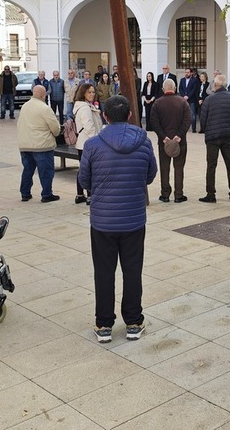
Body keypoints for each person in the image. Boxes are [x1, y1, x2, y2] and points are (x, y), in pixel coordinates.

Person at [78, 95, 157, 343]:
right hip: (133, 219)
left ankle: (104, 325)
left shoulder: (92, 145)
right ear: (130, 115)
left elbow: (84, 180)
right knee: (133, 270)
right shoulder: (144, 142)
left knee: (103, 272)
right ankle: (133, 321)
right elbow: (150, 175)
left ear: (105, 116)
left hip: (102, 220)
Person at [198, 74, 230, 203]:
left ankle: (211, 194)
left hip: (213, 137)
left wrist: (206, 130)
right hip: (228, 136)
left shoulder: (209, 99)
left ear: (216, 85)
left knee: (211, 165)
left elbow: (203, 119)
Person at [17, 85, 61, 203]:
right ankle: (46, 194)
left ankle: (25, 193)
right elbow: (55, 128)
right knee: (46, 171)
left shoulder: (25, 106)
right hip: (42, 145)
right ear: (43, 95)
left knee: (28, 170)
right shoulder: (44, 108)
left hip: (25, 145)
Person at [152, 78, 191, 203]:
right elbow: (187, 120)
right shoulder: (183, 102)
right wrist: (179, 135)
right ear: (174, 88)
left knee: (165, 167)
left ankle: (165, 194)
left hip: (164, 142)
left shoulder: (157, 103)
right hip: (180, 142)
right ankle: (178, 195)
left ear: (163, 89)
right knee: (179, 167)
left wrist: (163, 137)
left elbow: (154, 122)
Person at [73, 83, 104, 204]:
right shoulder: (85, 108)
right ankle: (90, 195)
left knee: (83, 169)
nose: (92, 94)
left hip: (83, 142)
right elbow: (89, 127)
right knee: (89, 170)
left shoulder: (84, 106)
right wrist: (97, 142)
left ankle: (80, 194)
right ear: (83, 93)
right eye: (89, 92)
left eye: (93, 92)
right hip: (89, 142)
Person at [178, 68, 200, 133]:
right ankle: (184, 128)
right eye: (185, 72)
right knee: (183, 115)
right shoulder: (182, 80)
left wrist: (188, 96)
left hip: (191, 100)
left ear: (191, 73)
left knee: (193, 115)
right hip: (183, 100)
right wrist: (183, 96)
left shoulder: (195, 80)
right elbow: (180, 88)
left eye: (188, 72)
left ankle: (193, 128)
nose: (186, 73)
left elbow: (194, 89)